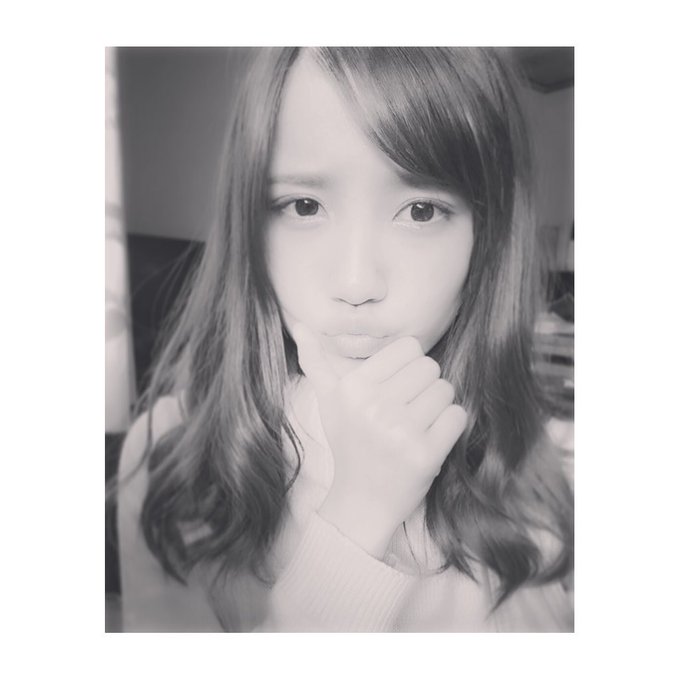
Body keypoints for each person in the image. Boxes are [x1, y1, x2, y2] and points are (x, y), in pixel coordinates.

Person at [116, 46, 574, 632]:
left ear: (487, 235)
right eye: (304, 206)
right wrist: (357, 518)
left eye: (421, 211)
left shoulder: (563, 468)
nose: (356, 284)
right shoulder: (170, 453)